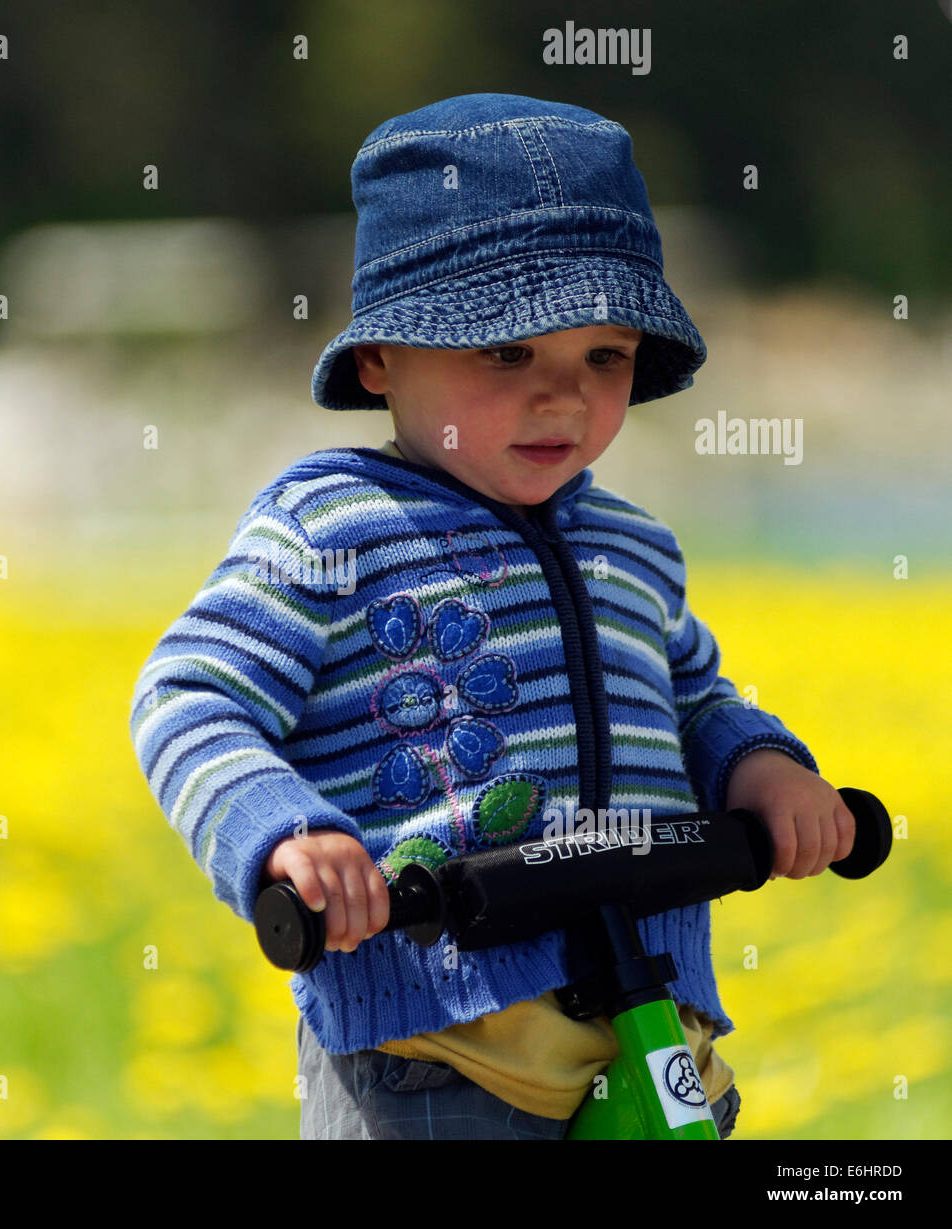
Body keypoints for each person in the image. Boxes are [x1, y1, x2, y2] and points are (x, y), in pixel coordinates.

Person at [129, 93, 855, 1140]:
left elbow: (693, 696)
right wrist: (281, 835)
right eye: (507, 354)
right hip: (434, 1041)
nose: (561, 398)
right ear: (381, 356)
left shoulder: (634, 545)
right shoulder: (334, 524)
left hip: (648, 1020)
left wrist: (764, 769)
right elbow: (188, 696)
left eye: (602, 358)